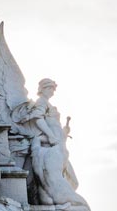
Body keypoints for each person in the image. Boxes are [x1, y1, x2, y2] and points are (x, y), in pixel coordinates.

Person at [14, 79, 88, 207]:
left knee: (70, 180)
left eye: (53, 89)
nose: (52, 92)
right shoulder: (41, 102)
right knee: (58, 180)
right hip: (51, 145)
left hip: (57, 144)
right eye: (50, 89)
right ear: (43, 89)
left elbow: (51, 123)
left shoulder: (47, 103)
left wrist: (63, 132)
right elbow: (38, 120)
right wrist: (51, 136)